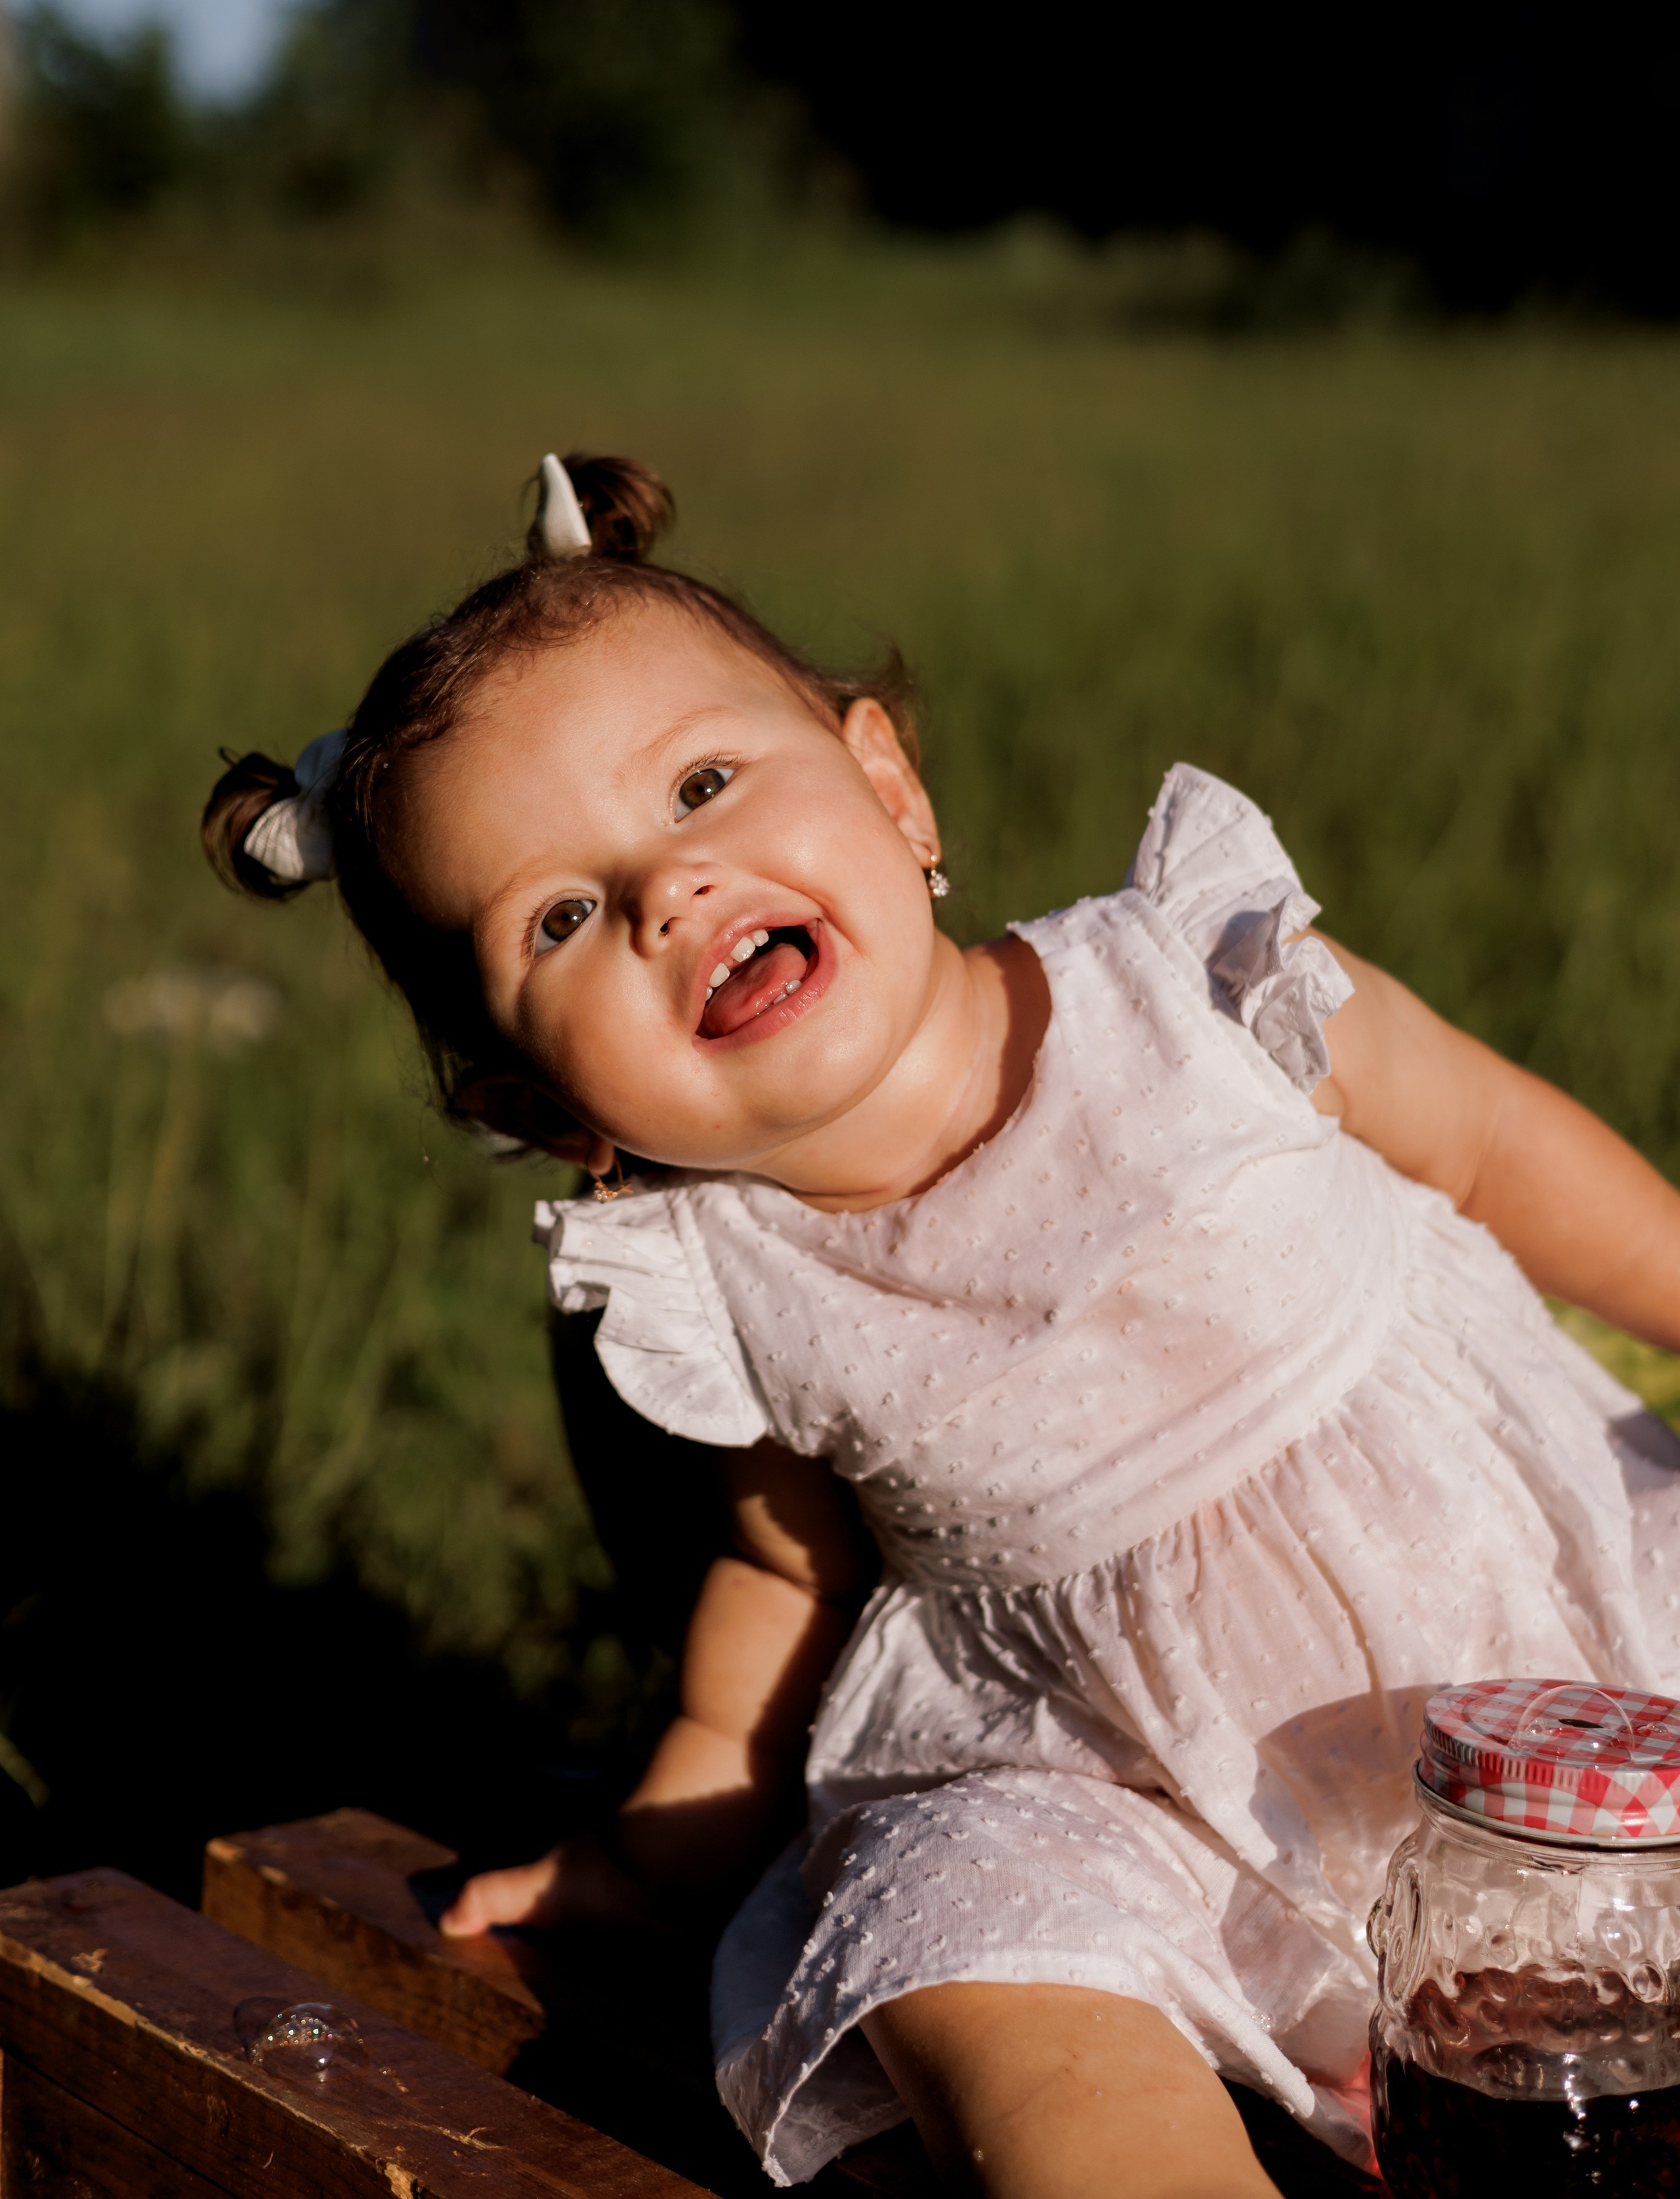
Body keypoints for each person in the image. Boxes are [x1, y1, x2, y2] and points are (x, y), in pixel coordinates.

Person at [203, 453, 1680, 2199]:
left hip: (1551, 1633)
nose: (669, 887)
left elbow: (1502, 1146)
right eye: (562, 917)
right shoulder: (730, 1284)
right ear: (542, 1107)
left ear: (888, 787)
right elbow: (786, 1580)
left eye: (700, 782)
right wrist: (665, 1843)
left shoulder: (1196, 989)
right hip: (1138, 1788)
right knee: (957, 1920)